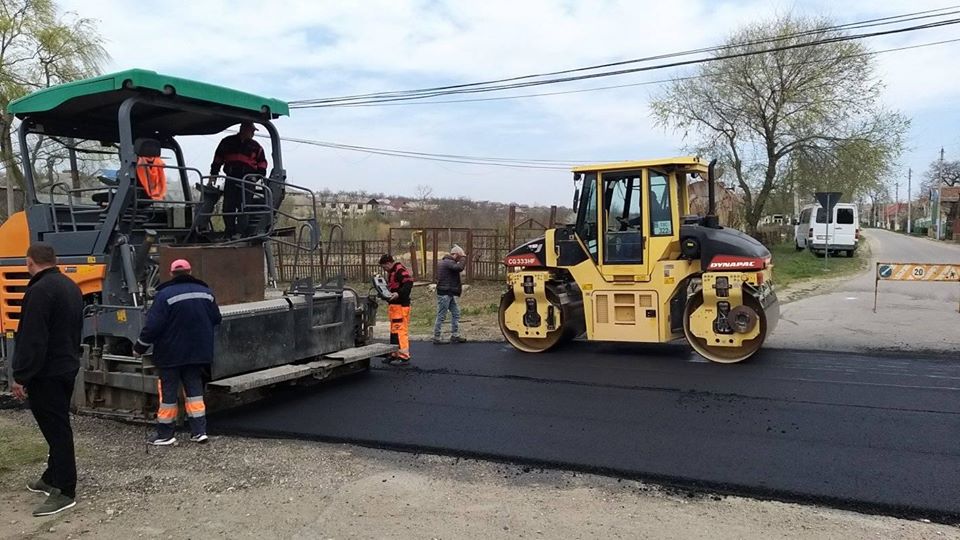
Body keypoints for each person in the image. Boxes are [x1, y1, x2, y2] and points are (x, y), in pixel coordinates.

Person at [11, 243, 84, 517]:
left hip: (47, 372)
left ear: (30, 262)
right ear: (55, 260)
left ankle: (65, 490)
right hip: (66, 366)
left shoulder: (39, 291)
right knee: (57, 424)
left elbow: (33, 338)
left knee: (57, 430)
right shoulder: (70, 286)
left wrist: (20, 376)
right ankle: (52, 477)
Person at [133, 259, 222, 446]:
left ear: (172, 273)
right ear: (190, 271)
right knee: (195, 392)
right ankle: (199, 431)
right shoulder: (206, 293)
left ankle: (165, 434)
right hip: (198, 353)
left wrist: (139, 348)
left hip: (170, 354)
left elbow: (153, 326)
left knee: (168, 395)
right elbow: (216, 318)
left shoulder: (164, 295)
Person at [209, 122, 268, 238]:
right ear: (243, 129)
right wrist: (213, 174)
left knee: (245, 207)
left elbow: (262, 164)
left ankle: (241, 232)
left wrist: (258, 177)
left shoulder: (256, 147)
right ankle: (229, 231)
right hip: (231, 178)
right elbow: (218, 158)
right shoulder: (227, 142)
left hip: (247, 181)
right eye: (251, 131)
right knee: (228, 206)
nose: (252, 134)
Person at [379, 254, 413, 365]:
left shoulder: (400, 270)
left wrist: (398, 294)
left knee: (400, 331)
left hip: (401, 306)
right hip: (394, 306)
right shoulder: (392, 272)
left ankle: (404, 357)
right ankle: (394, 354)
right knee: (394, 331)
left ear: (388, 263)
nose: (384, 269)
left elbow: (408, 284)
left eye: (384, 267)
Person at [433, 245, 467, 345]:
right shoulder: (448, 262)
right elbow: (460, 268)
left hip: (448, 292)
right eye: (459, 257)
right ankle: (436, 337)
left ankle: (455, 335)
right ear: (455, 254)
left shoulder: (446, 262)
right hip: (445, 293)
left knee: (456, 313)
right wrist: (464, 257)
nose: (460, 259)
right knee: (441, 315)